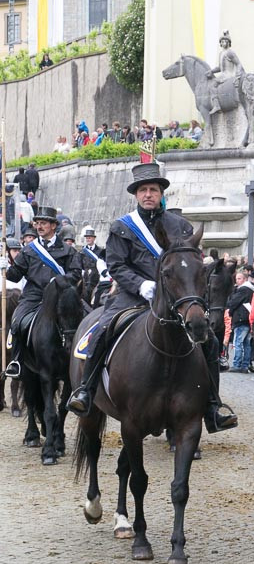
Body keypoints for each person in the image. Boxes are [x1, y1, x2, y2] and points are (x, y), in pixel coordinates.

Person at [65, 162, 237, 434]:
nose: (148, 194)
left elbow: (190, 262)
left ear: (161, 194)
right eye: (143, 190)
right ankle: (85, 391)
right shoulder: (122, 227)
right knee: (101, 330)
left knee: (209, 340)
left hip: (175, 298)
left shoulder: (180, 226)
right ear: (136, 194)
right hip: (132, 296)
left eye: (153, 190)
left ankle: (213, 406)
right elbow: (117, 265)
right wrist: (141, 284)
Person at [2, 207, 83, 378]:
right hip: (34, 296)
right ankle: (16, 361)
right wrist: (6, 267)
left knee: (88, 318)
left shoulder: (68, 250)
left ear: (54, 225)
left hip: (60, 296)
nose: (39, 226)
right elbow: (15, 276)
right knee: (16, 322)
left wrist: (59, 282)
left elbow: (76, 273)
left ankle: (84, 361)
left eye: (43, 223)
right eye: (37, 223)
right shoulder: (29, 250)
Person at [208, 32, 245, 115]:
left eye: (225, 41)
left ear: (228, 42)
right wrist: (211, 71)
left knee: (212, 85)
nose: (224, 42)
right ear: (220, 43)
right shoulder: (221, 53)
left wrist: (238, 76)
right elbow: (220, 68)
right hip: (223, 74)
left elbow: (238, 64)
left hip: (228, 74)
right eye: (222, 41)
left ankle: (216, 105)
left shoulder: (230, 53)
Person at [228, 269, 254, 373]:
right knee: (246, 343)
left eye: (239, 278)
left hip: (241, 318)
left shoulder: (243, 289)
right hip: (246, 318)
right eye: (236, 279)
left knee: (238, 342)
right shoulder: (251, 289)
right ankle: (245, 365)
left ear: (244, 279)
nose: (237, 281)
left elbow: (233, 302)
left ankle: (237, 364)